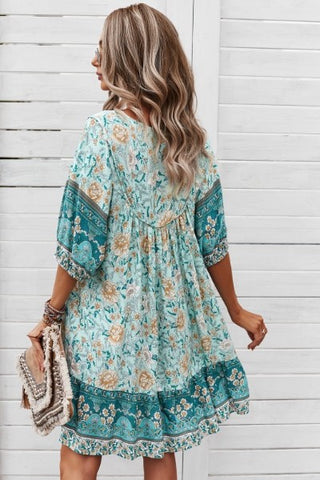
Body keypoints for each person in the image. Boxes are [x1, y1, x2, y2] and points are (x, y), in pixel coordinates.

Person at [26, 3, 267, 480]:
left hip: (106, 326)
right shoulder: (190, 143)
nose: (95, 60)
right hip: (169, 331)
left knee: (79, 446)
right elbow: (213, 242)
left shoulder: (103, 134)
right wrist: (236, 310)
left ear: (128, 59)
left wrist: (51, 314)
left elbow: (80, 242)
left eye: (103, 50)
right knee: (161, 448)